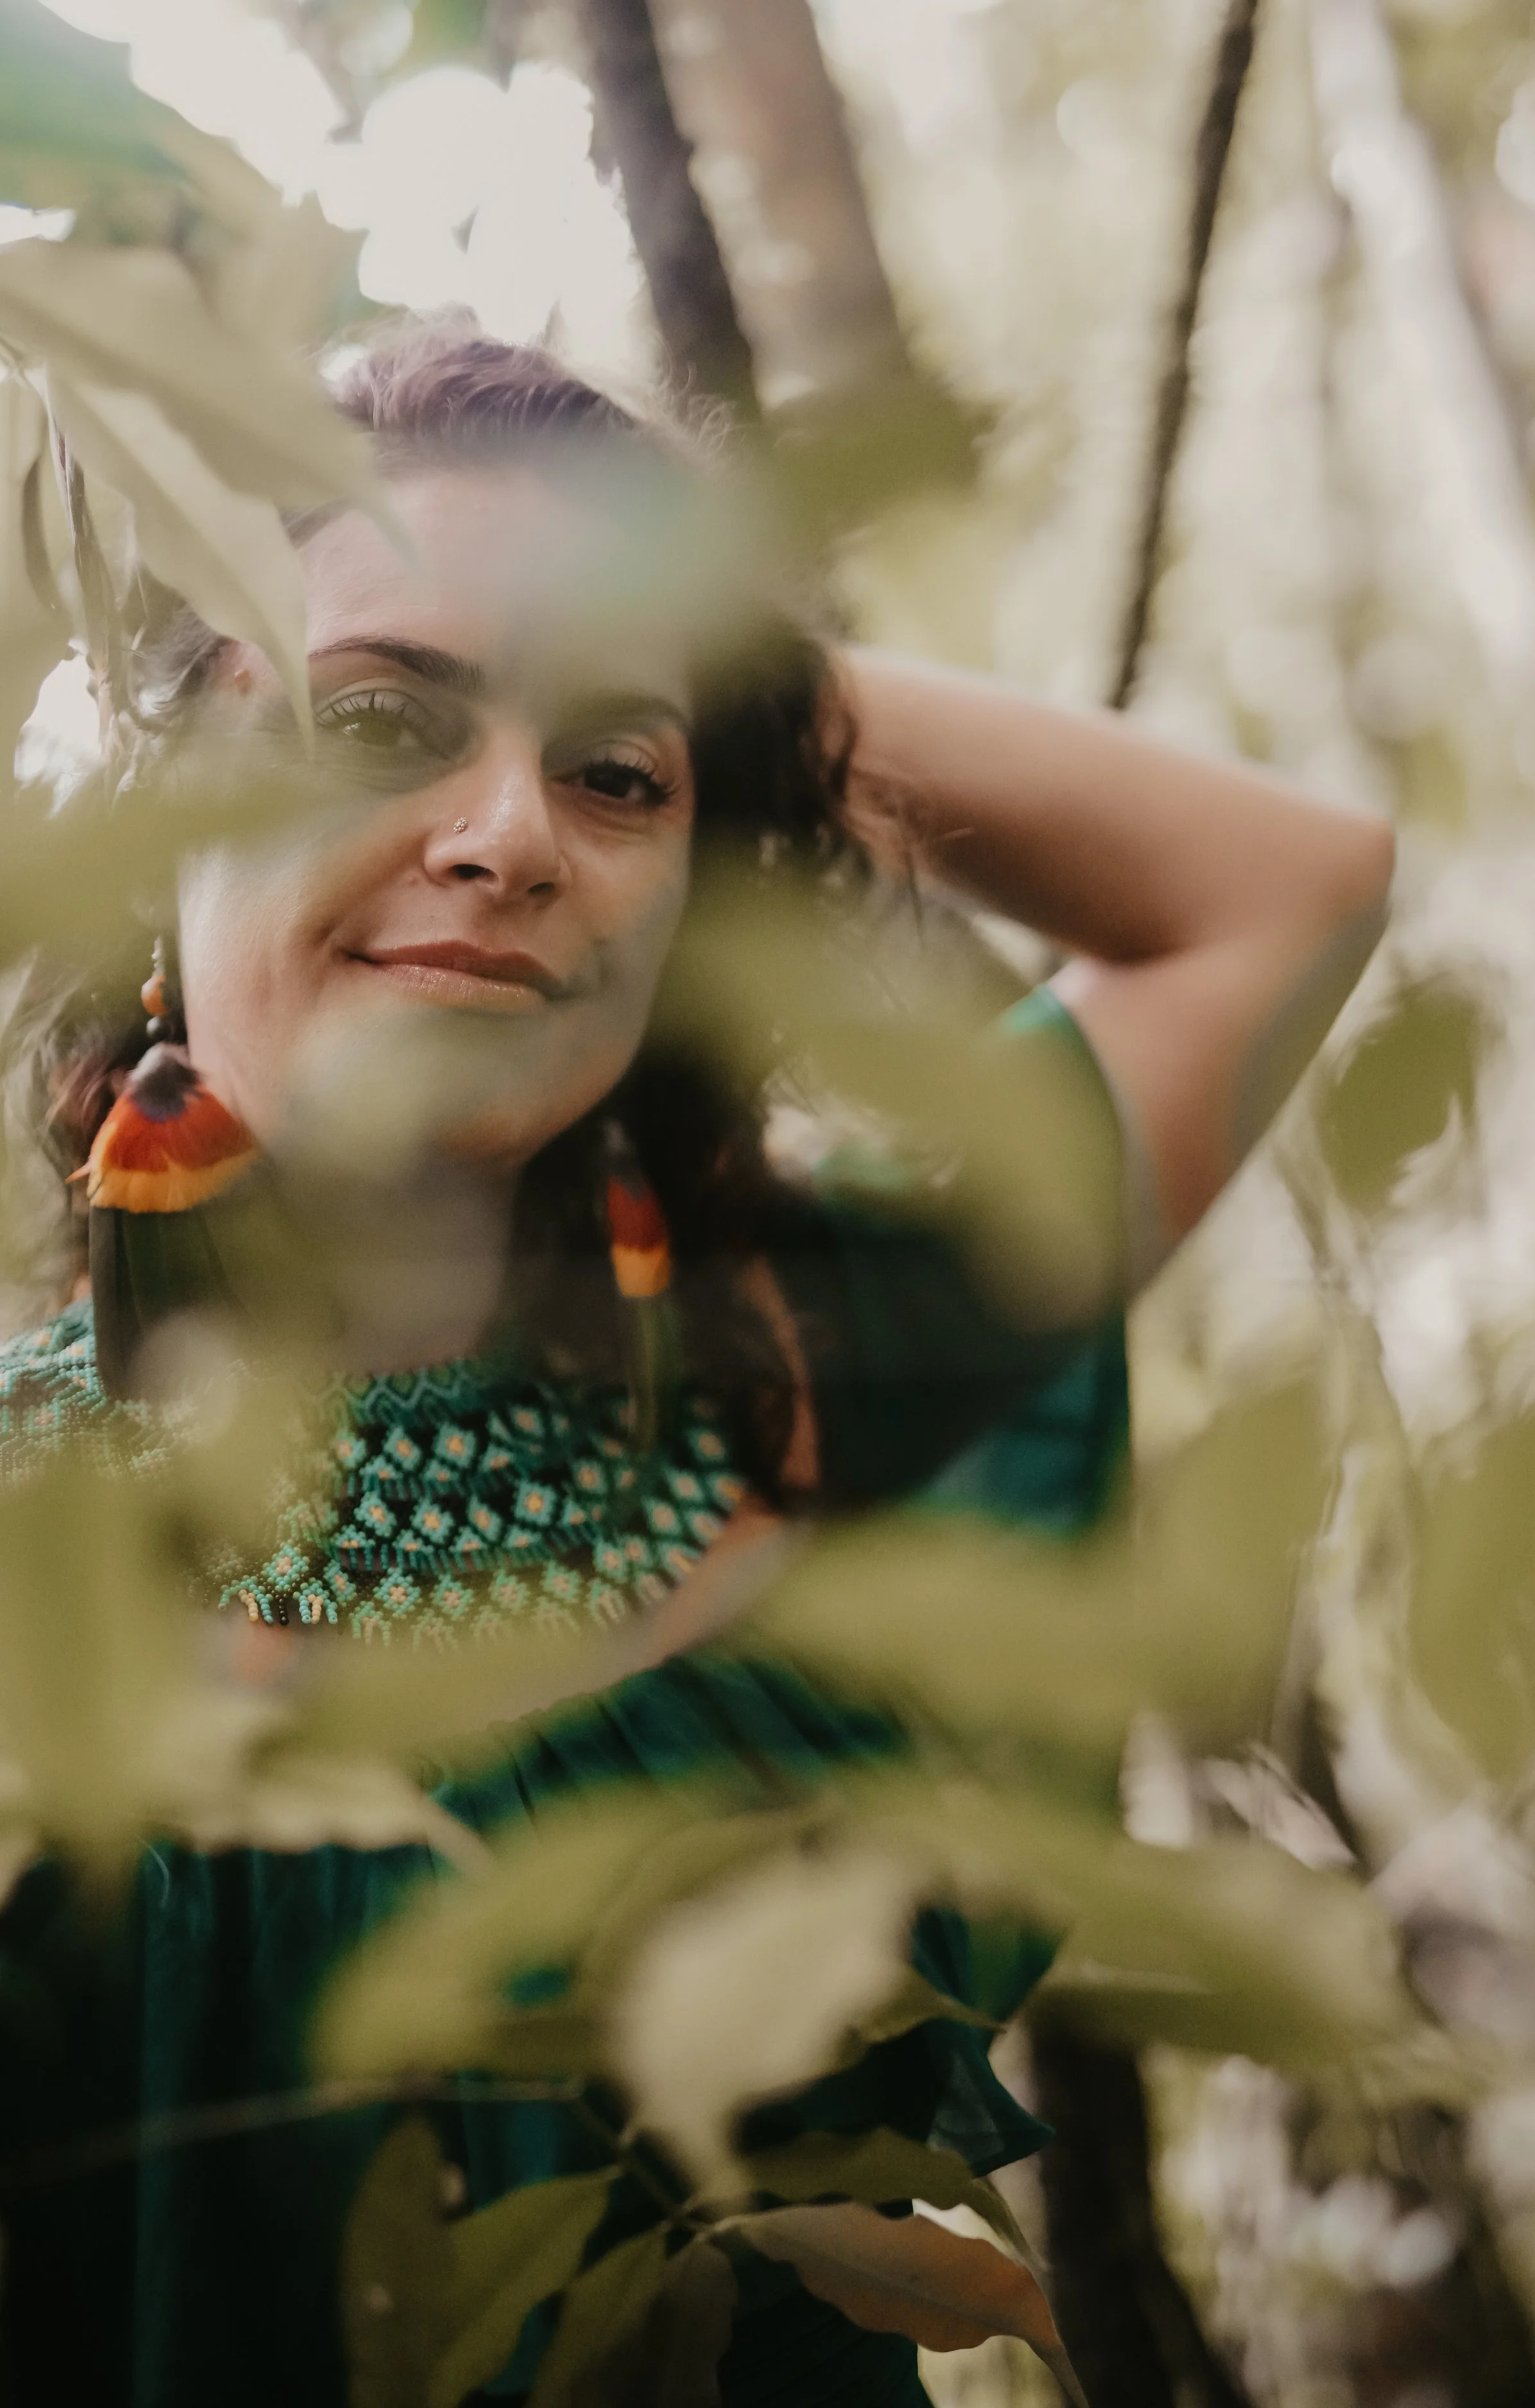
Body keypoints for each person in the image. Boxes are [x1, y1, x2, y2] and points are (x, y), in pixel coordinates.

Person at [0, 325, 1393, 2407]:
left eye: (615, 776)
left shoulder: (796, 1386)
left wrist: (723, 671)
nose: (509, 834)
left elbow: (1279, 890)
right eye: (380, 720)